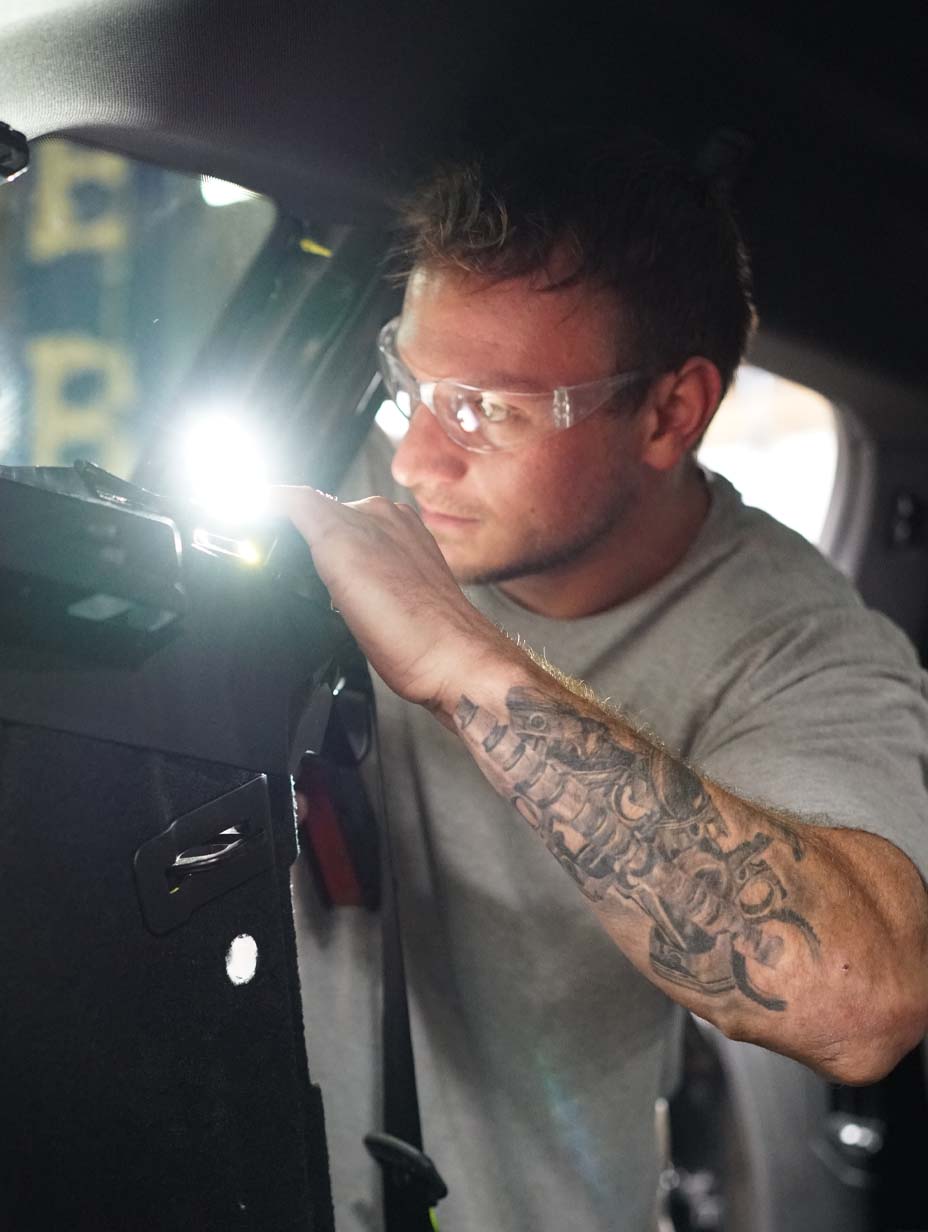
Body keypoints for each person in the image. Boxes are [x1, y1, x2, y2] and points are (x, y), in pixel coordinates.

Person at [282, 128, 928, 1232]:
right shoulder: (351, 503)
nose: (414, 458)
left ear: (671, 413)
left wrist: (456, 659)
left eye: (487, 409)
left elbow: (863, 1003)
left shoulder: (797, 645)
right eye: (411, 382)